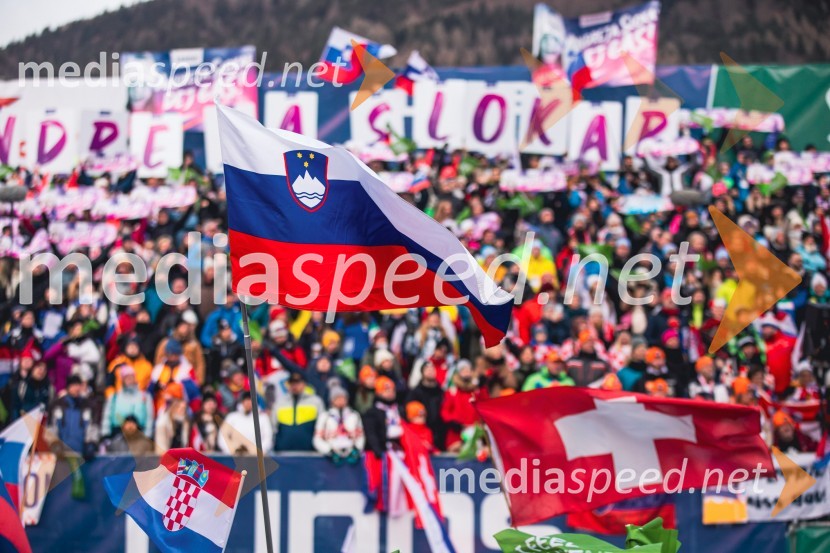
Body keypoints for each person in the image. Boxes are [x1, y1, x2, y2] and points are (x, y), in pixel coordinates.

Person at [48, 375, 98, 459]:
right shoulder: (57, 405)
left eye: (78, 385)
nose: (77, 388)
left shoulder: (88, 405)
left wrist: (91, 443)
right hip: (61, 455)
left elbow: (92, 426)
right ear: (68, 387)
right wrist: (53, 443)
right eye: (74, 385)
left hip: (81, 454)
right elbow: (51, 426)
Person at [273, 371, 324, 451]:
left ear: (304, 384)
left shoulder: (316, 401)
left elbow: (322, 426)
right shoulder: (280, 402)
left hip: (309, 453)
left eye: (297, 383)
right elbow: (273, 426)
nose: (294, 386)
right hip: (283, 452)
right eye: (292, 383)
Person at [312, 386, 364, 463]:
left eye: (343, 398)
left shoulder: (354, 415)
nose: (341, 400)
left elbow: (360, 435)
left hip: (351, 452)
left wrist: (357, 448)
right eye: (337, 398)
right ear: (332, 400)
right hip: (331, 456)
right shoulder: (325, 416)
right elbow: (317, 438)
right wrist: (329, 450)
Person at [101, 364, 154, 438]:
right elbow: (107, 416)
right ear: (122, 380)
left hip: (139, 434)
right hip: (117, 434)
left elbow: (149, 418)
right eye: (126, 377)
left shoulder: (145, 397)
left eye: (131, 376)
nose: (129, 379)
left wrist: (148, 435)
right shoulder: (114, 397)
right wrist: (105, 435)